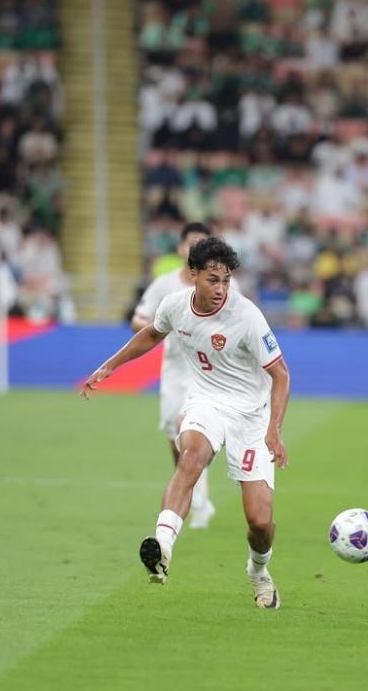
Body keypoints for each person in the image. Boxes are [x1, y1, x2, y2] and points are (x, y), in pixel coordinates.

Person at [81, 237, 291, 609]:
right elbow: (150, 334)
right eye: (213, 279)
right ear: (192, 275)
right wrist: (110, 365)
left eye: (226, 280)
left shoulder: (246, 316)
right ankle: (163, 546)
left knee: (260, 522)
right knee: (190, 457)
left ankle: (258, 571)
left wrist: (274, 428)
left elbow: (281, 375)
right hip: (205, 401)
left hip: (250, 416)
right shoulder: (175, 306)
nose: (221, 289)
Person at [130, 222, 242, 529]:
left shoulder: (224, 284)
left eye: (201, 243)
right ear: (181, 248)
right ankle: (196, 495)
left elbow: (240, 322)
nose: (195, 248)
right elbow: (138, 321)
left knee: (192, 431)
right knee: (175, 437)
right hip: (175, 371)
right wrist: (161, 328)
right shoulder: (165, 286)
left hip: (210, 371)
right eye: (190, 243)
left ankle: (199, 500)